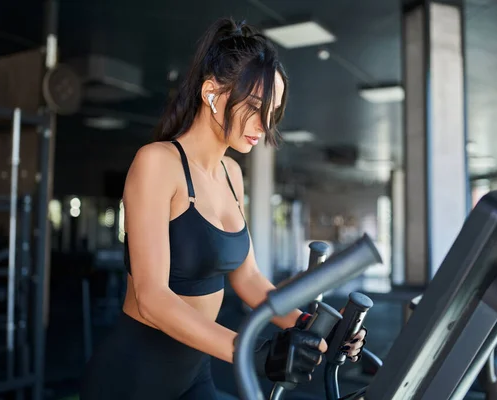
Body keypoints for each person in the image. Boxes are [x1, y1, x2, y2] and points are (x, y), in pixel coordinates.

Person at [80, 17, 367, 400]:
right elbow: (152, 298)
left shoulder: (232, 173)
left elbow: (247, 279)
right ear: (212, 93)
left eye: (272, 111)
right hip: (134, 378)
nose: (264, 126)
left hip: (195, 375)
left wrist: (314, 326)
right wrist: (254, 352)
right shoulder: (158, 163)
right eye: (254, 107)